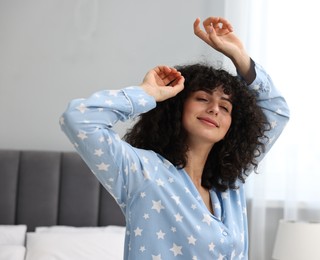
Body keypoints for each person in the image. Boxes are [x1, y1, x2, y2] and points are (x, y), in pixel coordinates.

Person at [60, 16, 289, 260]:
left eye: (225, 107)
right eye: (203, 98)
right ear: (177, 106)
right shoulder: (143, 173)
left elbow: (277, 110)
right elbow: (79, 119)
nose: (214, 109)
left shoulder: (229, 182)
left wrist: (239, 56)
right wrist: (147, 93)